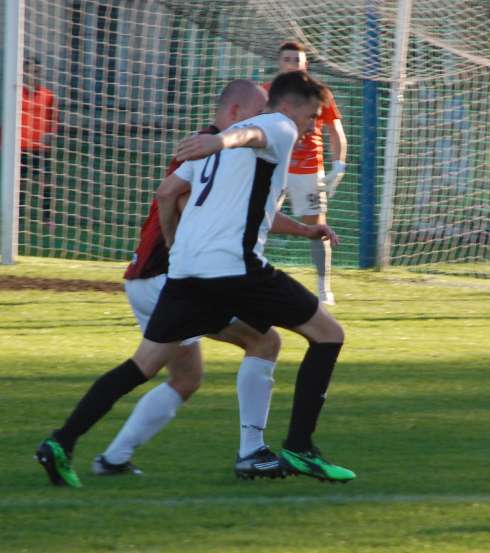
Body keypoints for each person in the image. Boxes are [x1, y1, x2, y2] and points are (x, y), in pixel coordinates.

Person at [35, 71, 355, 488]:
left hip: (188, 271)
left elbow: (174, 191)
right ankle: (299, 447)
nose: (313, 125)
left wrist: (304, 228)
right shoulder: (276, 125)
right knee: (328, 334)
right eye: (313, 115)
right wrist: (219, 141)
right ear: (290, 105)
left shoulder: (219, 140)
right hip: (234, 267)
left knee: (143, 364)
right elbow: (254, 135)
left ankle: (60, 442)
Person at [265, 41, 347, 305]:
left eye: (296, 60)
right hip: (274, 167)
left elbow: (336, 132)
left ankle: (324, 290)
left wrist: (339, 166)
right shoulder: (266, 93)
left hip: (308, 169)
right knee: (258, 220)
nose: (292, 64)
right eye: (287, 59)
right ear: (280, 63)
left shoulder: (319, 93)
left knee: (316, 226)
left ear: (305, 64)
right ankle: (247, 277)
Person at [20, 56, 57, 227]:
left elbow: (52, 120)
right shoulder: (16, 94)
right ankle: (16, 217)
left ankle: (47, 218)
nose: (33, 75)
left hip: (39, 148)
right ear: (23, 73)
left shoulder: (48, 95)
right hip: (18, 147)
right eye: (30, 71)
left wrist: (49, 137)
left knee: (45, 182)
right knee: (18, 184)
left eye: (36, 72)